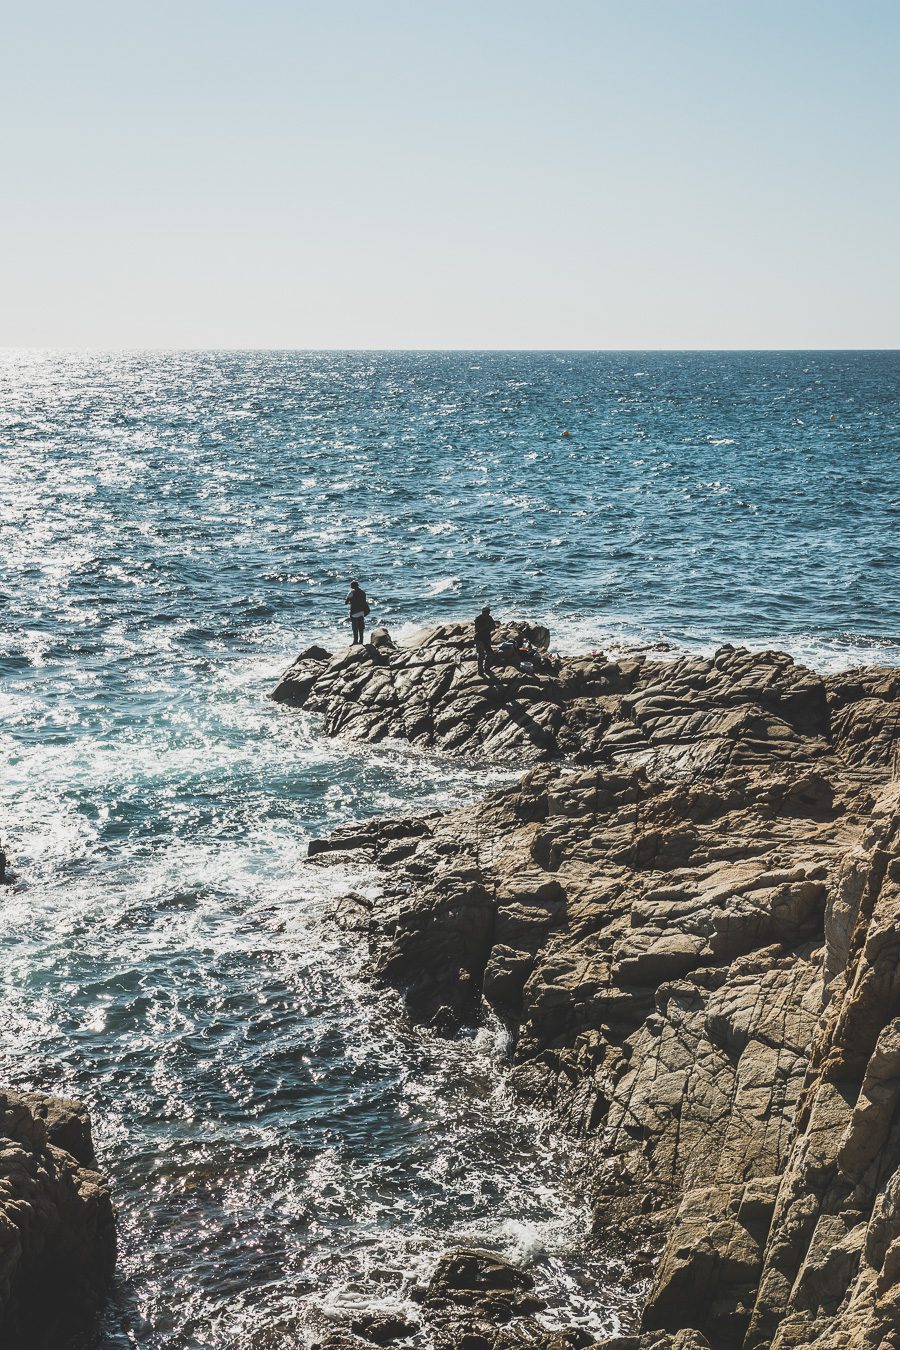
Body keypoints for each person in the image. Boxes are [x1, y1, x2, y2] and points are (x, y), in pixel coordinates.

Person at [474, 606, 497, 676]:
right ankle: (480, 671)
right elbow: (477, 630)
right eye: (488, 612)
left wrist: (492, 626)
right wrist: (486, 626)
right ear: (484, 612)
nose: (489, 613)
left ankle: (487, 668)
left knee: (490, 654)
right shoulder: (478, 619)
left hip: (487, 638)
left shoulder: (489, 618)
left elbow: (494, 627)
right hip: (479, 639)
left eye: (489, 612)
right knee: (481, 655)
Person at [345, 580, 369, 644]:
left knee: (355, 628)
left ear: (352, 586)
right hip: (362, 612)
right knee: (361, 628)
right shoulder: (363, 592)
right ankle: (361, 641)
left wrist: (349, 601)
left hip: (354, 613)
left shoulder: (351, 592)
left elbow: (346, 602)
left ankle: (355, 642)